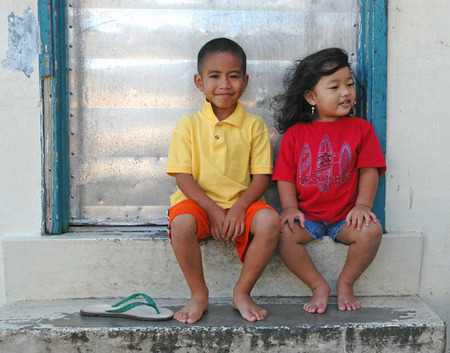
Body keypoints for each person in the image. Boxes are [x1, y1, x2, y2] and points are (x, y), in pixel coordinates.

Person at [166, 38, 280, 324]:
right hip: (199, 204)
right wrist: (214, 211)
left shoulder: (254, 126)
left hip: (243, 204)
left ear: (245, 81)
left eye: (233, 76)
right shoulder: (188, 125)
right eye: (214, 76)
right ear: (199, 82)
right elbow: (183, 177)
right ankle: (198, 294)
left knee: (269, 221)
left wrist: (240, 208)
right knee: (181, 224)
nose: (224, 84)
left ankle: (242, 292)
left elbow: (261, 177)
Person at [271, 48, 386, 314]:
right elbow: (285, 177)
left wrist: (363, 207)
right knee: (280, 235)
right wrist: (289, 208)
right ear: (311, 97)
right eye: (334, 87)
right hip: (307, 217)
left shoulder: (361, 129)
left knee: (371, 232)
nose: (345, 92)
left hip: (344, 218)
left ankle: (345, 283)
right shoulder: (295, 135)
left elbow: (369, 170)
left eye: (349, 84)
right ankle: (318, 286)